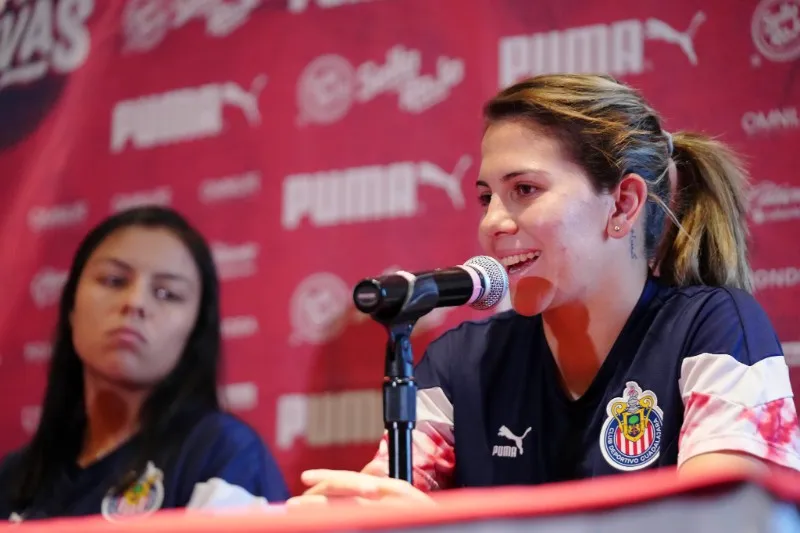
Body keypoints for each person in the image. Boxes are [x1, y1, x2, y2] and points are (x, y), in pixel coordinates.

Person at [288, 74, 800, 506]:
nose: (493, 223)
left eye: (524, 190)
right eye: (486, 197)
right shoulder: (460, 363)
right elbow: (385, 503)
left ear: (622, 204)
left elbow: (720, 521)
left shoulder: (714, 328)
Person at [0, 206, 289, 521]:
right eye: (113, 280)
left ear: (195, 330)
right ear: (71, 306)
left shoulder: (222, 454)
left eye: (167, 293)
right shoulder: (13, 478)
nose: (135, 303)